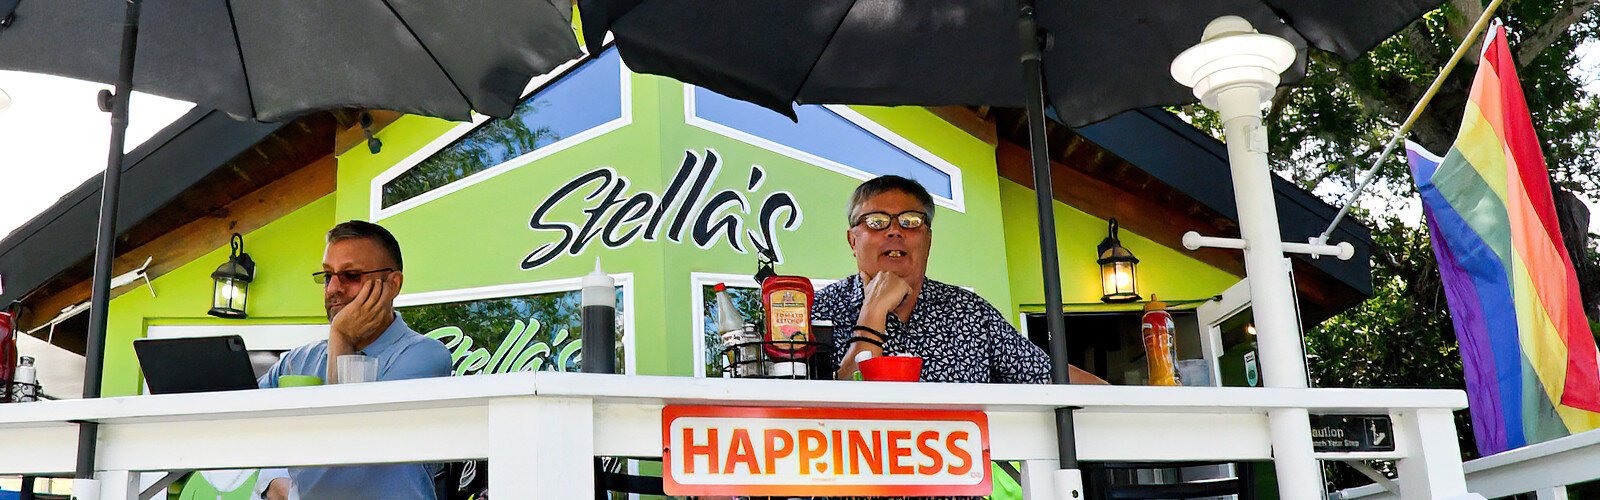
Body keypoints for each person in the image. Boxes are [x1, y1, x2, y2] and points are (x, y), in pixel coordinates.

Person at [816, 175, 1106, 385]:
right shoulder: (819, 311)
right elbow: (831, 408)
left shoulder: (969, 313)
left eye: (911, 221)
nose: (895, 231)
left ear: (928, 240)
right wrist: (873, 311)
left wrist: (1130, 403)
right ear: (852, 240)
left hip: (957, 469)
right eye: (877, 221)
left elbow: (1047, 376)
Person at [255, 220, 453, 500]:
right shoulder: (299, 360)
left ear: (393, 284)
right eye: (327, 276)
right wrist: (272, 477)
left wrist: (341, 337)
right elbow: (239, 423)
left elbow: (347, 443)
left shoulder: (425, 356)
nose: (332, 288)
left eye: (350, 275)